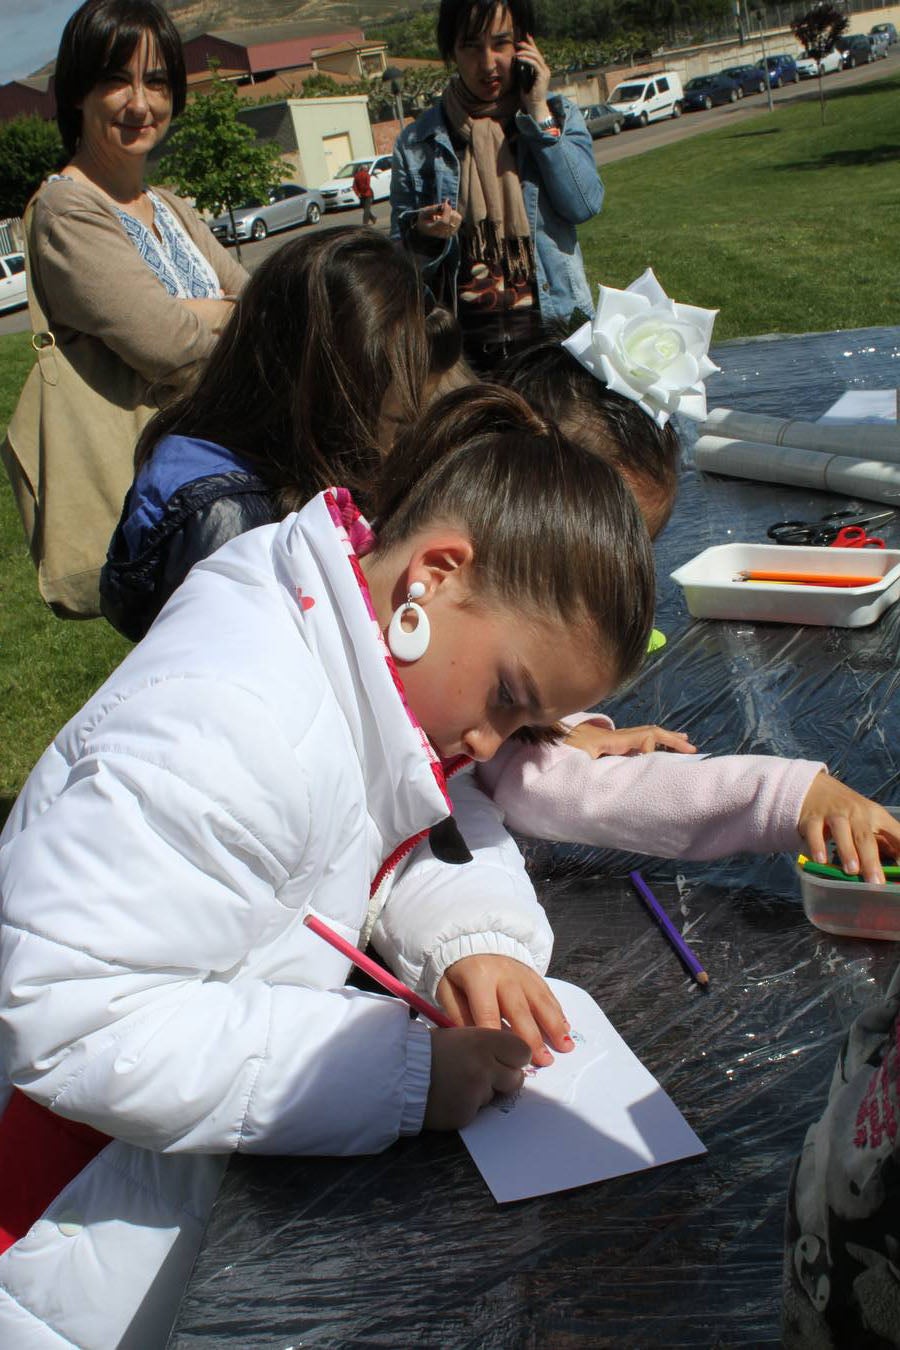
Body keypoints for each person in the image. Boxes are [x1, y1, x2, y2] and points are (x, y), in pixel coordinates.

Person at [0, 385, 657, 1347]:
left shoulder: (340, 637)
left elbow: (389, 822)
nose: (489, 739)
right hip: (56, 1221)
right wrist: (396, 1075)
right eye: (510, 698)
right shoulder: (243, 722)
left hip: (153, 1179)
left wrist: (473, 940)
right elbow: (64, 1014)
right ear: (436, 572)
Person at [100, 227, 470, 640]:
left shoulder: (289, 460)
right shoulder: (227, 525)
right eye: (397, 428)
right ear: (329, 404)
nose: (395, 453)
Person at [1, 0, 247, 617]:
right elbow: (166, 345)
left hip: (230, 473)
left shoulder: (167, 205)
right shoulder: (67, 211)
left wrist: (198, 312)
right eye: (117, 80)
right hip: (167, 505)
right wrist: (215, 311)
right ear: (78, 93)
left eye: (157, 81)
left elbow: (262, 303)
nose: (141, 103)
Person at [390, 0, 603, 371]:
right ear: (451, 51)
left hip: (555, 341)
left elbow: (583, 205)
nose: (488, 64)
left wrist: (538, 112)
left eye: (501, 43)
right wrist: (423, 234)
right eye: (471, 46)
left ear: (525, 46)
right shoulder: (417, 143)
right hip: (464, 357)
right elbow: (400, 266)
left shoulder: (556, 117)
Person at [352, 159, 377, 224]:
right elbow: (367, 185)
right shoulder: (367, 175)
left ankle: (373, 218)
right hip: (367, 194)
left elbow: (354, 186)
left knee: (366, 208)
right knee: (367, 209)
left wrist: (358, 193)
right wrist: (364, 191)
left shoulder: (356, 176)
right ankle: (365, 223)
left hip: (361, 195)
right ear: (365, 169)